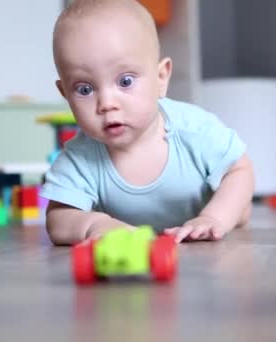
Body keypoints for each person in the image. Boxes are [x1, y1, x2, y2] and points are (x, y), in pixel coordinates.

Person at [41, 0, 255, 245]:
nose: (106, 103)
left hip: (202, 220)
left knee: (237, 207)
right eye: (85, 89)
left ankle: (232, 212)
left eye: (125, 81)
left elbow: (240, 169)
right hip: (142, 243)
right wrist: (95, 225)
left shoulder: (193, 129)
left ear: (161, 78)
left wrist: (214, 217)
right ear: (65, 93)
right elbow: (57, 218)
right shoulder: (81, 158)